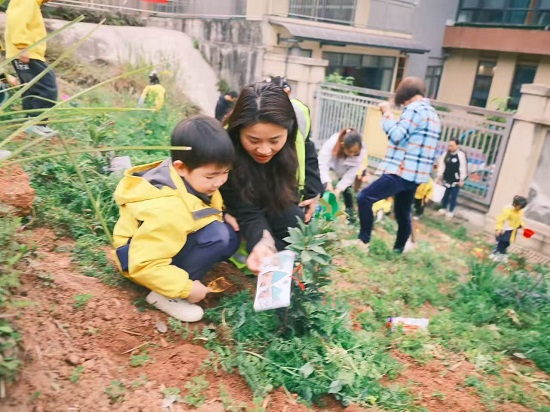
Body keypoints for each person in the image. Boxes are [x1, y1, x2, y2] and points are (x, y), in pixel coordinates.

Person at [112, 115, 239, 322]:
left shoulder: (190, 177)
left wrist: (223, 214)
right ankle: (164, 294)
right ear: (181, 167)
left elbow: (199, 207)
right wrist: (186, 288)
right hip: (140, 262)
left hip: (160, 243)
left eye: (225, 172)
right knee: (218, 236)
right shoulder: (168, 208)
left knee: (229, 237)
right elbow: (143, 264)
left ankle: (180, 273)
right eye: (211, 176)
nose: (219, 181)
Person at [221, 82, 323, 273]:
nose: (264, 150)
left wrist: (314, 190)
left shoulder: (299, 120)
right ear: (238, 131)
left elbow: (308, 149)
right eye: (253, 140)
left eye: (275, 140)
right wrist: (263, 242)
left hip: (277, 190)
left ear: (289, 131)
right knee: (259, 239)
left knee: (294, 221)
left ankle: (284, 275)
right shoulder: (226, 149)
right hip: (245, 196)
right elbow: (248, 211)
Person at [355, 77, 441, 253]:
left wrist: (386, 113)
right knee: (402, 211)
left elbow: (396, 135)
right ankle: (398, 250)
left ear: (406, 94)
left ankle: (363, 242)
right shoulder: (433, 114)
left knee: (365, 197)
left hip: (401, 171)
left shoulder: (414, 110)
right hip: (417, 175)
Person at [6, 0, 58, 138]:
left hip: (24, 52)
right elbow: (17, 19)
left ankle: (30, 122)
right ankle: (37, 123)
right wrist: (22, 46)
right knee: (46, 86)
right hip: (27, 52)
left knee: (30, 88)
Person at [318, 128, 367, 223]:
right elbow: (322, 163)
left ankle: (351, 217)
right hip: (331, 166)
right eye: (350, 151)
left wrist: (338, 189)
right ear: (343, 145)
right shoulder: (332, 142)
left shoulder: (361, 150)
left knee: (347, 191)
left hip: (347, 169)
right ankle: (319, 213)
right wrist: (327, 183)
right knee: (322, 188)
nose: (352, 154)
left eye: (355, 152)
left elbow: (351, 173)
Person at [490, 195, 528, 263]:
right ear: (515, 204)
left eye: (521, 207)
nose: (519, 208)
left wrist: (523, 226)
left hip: (511, 230)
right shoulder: (508, 209)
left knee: (506, 243)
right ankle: (496, 255)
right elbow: (500, 219)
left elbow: (519, 220)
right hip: (504, 230)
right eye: (518, 206)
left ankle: (501, 255)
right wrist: (499, 228)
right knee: (501, 243)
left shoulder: (519, 211)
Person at [437, 139, 468, 218]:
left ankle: (451, 211)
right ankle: (443, 208)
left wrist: (462, 179)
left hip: (456, 180)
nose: (450, 147)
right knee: (445, 194)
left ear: (457, 146)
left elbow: (463, 167)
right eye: (449, 145)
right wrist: (439, 176)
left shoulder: (461, 155)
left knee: (453, 196)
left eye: (452, 146)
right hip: (447, 178)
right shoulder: (446, 154)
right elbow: (442, 166)